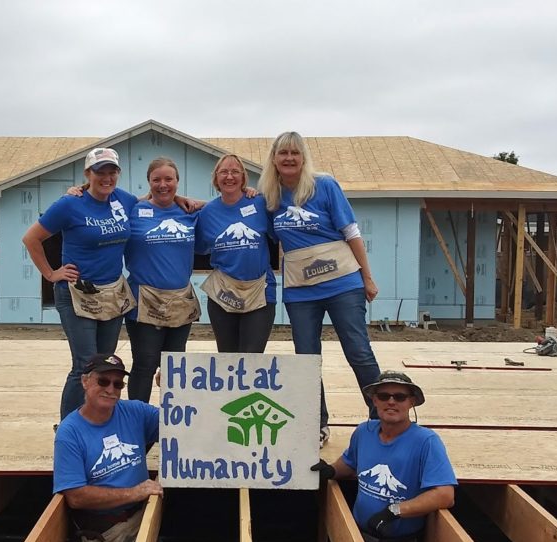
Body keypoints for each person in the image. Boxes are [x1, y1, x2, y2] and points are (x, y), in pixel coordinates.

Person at [258, 131, 381, 447]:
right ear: (274, 158)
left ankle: (381, 418)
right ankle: (317, 424)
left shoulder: (324, 185)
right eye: (283, 153)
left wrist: (367, 277)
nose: (289, 158)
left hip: (342, 284)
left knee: (358, 351)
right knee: (307, 358)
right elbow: (233, 208)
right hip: (301, 291)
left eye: (295, 153)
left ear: (303, 157)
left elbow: (351, 231)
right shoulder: (269, 197)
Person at [22, 148, 138, 420]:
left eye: (112, 172)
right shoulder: (69, 204)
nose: (107, 178)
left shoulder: (124, 200)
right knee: (85, 365)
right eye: (100, 172)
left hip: (111, 293)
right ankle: (69, 428)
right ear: (88, 174)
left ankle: (97, 420)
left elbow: (156, 200)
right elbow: (31, 239)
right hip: (77, 293)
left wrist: (184, 200)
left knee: (105, 364)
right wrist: (51, 274)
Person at [311, 370, 456, 542]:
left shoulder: (426, 441)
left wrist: (394, 511)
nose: (391, 402)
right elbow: (349, 464)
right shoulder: (364, 432)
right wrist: (330, 470)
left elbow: (445, 495)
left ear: (411, 402)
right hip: (359, 537)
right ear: (374, 400)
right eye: (384, 396)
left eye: (400, 397)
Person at [53, 352, 163, 542]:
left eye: (118, 384)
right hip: (105, 533)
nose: (110, 389)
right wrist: (135, 492)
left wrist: (172, 388)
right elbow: (76, 497)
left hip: (143, 519)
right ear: (85, 381)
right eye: (103, 381)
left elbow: (180, 423)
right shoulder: (69, 433)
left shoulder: (135, 412)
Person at [122, 157, 201, 402]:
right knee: (145, 363)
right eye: (157, 180)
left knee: (175, 367)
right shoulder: (133, 211)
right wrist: (78, 190)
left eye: (169, 179)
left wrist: (187, 199)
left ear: (178, 182)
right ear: (148, 183)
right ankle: (139, 421)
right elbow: (99, 202)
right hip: (145, 301)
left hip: (180, 301)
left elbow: (225, 206)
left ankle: (173, 424)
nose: (163, 185)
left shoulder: (189, 212)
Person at [195, 154, 277, 353]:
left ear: (243, 177)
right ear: (216, 178)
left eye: (235, 172)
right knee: (227, 359)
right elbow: (196, 248)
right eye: (224, 172)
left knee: (252, 358)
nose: (229, 176)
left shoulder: (259, 203)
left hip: (260, 291)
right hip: (223, 294)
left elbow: (280, 234)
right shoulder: (207, 213)